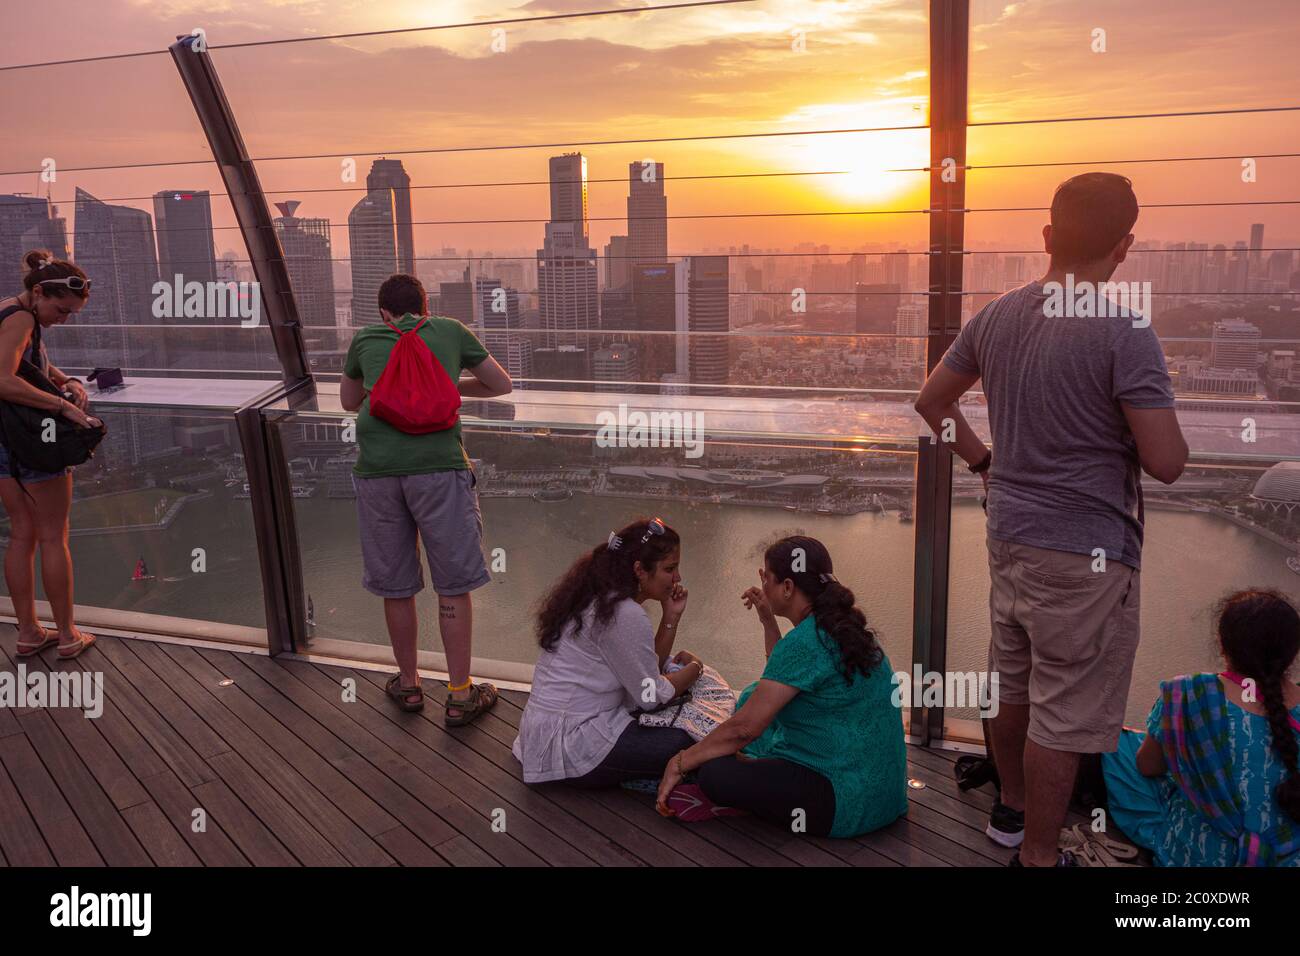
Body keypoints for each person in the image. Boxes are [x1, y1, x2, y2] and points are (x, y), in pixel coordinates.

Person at [914, 172, 1190, 866]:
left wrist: (983, 463)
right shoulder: (1125, 332)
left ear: (1047, 237)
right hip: (1086, 552)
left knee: (1012, 685)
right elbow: (1167, 462)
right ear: (1124, 247)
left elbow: (931, 404)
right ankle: (1039, 856)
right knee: (1063, 714)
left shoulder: (997, 314)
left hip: (1009, 534)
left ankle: (1008, 813)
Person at [340, 273, 511, 724]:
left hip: (378, 474)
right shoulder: (451, 330)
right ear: (426, 306)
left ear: (383, 312)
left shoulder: (364, 338)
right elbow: (500, 384)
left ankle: (411, 685)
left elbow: (347, 400)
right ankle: (459, 694)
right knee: (452, 584)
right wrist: (446, 385)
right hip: (439, 471)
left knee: (397, 586)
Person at [655, 536, 907, 839]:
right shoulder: (848, 630)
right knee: (751, 697)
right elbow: (785, 680)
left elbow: (744, 729)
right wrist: (767, 619)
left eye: (768, 579)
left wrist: (680, 762)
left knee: (714, 772)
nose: (763, 587)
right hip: (886, 796)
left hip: (844, 803)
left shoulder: (806, 641)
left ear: (787, 588)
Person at [1102, 589, 1300, 866]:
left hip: (1194, 854)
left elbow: (1149, 767)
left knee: (1119, 745)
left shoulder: (1189, 693)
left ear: (1222, 645)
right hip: (1284, 858)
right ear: (1291, 656)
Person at [513, 517, 704, 786]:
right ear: (640, 570)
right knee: (692, 739)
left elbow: (643, 672)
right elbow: (650, 695)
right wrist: (696, 669)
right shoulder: (624, 613)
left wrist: (670, 617)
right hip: (571, 741)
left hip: (543, 733)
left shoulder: (596, 597)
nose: (678, 578)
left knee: (685, 726)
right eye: (670, 568)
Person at [1, 250, 102, 661]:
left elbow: (28, 362)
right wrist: (61, 404)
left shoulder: (9, 309)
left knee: (21, 533)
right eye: (62, 310)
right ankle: (66, 635)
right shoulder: (23, 318)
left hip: (2, 442)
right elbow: (3, 379)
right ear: (39, 292)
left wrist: (65, 379)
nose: (64, 318)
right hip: (31, 439)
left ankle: (27, 633)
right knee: (53, 536)